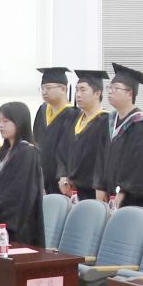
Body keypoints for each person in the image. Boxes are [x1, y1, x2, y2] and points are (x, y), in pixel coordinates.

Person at [0, 101, 46, 246]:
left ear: (19, 122)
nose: (1, 125)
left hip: (18, 225)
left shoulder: (28, 152)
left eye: (6, 121)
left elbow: (19, 189)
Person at [98, 64, 143, 207]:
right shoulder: (111, 121)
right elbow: (101, 157)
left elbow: (140, 166)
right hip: (111, 197)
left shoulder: (140, 125)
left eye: (115, 88)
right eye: (109, 88)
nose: (110, 92)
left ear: (129, 94)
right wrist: (100, 187)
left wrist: (123, 192)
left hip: (132, 201)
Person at [61, 70, 110, 198]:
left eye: (83, 90)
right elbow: (62, 151)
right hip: (72, 191)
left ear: (97, 93)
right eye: (77, 90)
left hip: (93, 191)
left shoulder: (105, 121)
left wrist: (101, 187)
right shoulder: (74, 119)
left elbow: (104, 160)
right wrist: (63, 176)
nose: (78, 94)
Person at [30, 67, 73, 196]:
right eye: (42, 88)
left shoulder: (72, 114)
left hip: (62, 182)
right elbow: (35, 141)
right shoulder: (42, 110)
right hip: (42, 180)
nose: (44, 92)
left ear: (63, 89)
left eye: (48, 88)